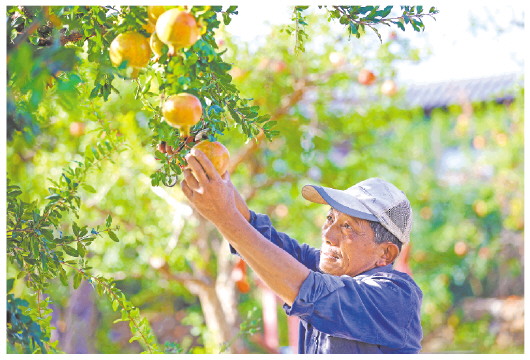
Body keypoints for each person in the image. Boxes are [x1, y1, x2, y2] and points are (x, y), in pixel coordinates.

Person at [180, 148, 423, 354]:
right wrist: (209, 165)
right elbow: (258, 235)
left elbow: (304, 290)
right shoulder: (330, 269)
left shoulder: (395, 297)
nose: (328, 235)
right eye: (330, 218)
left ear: (386, 254)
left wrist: (223, 216)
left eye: (347, 227)